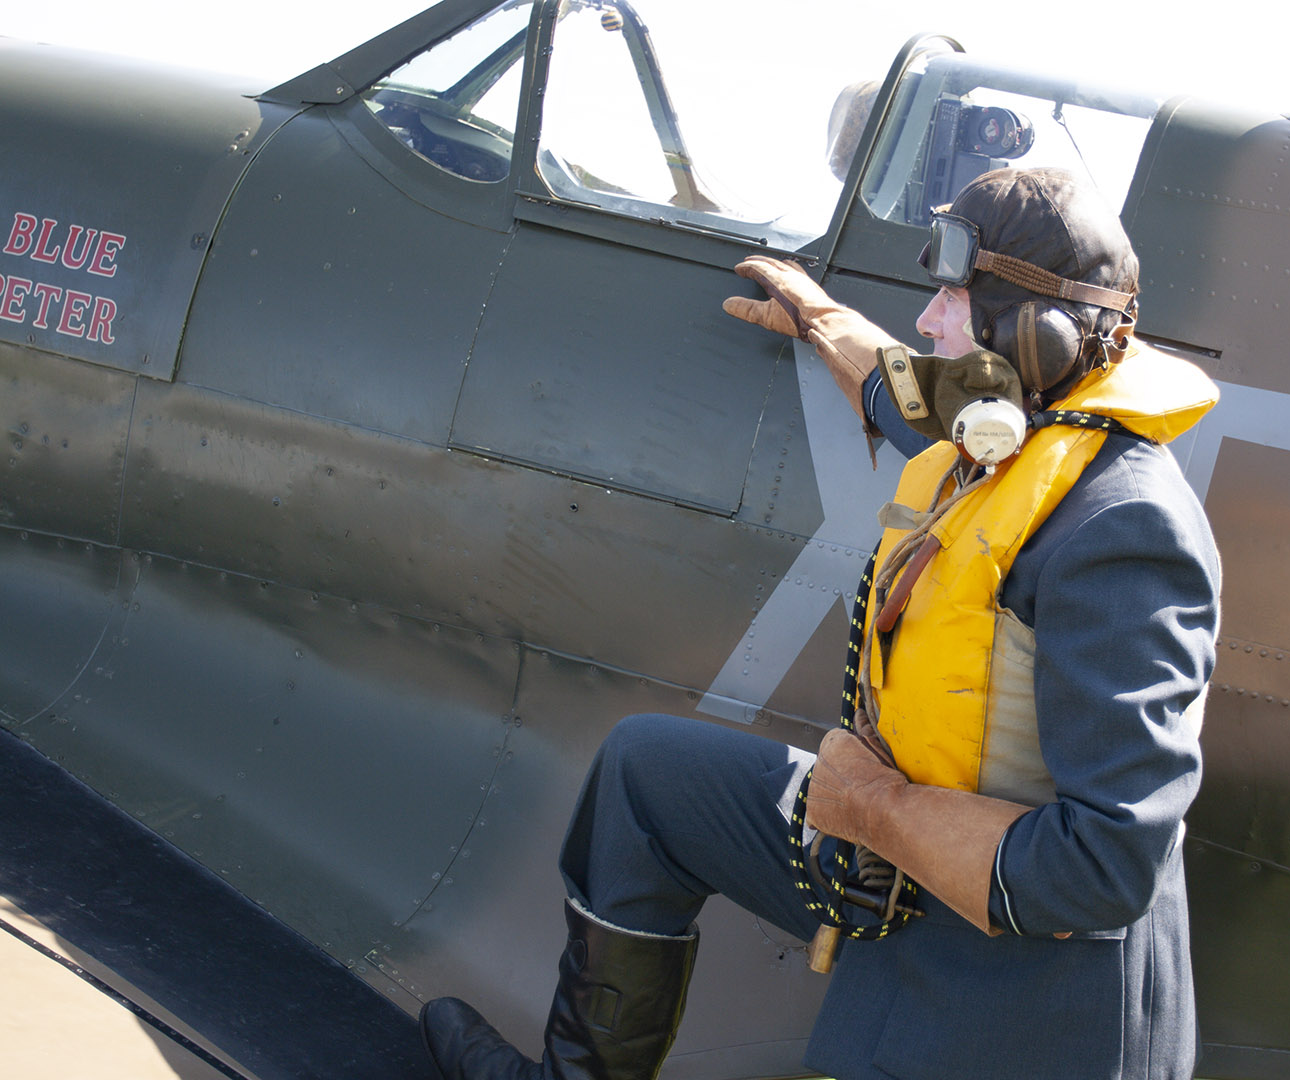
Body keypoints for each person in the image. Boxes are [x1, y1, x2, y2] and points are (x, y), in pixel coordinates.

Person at [419, 166, 1221, 1080]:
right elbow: (913, 402)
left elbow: (1106, 867)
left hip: (1033, 990)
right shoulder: (1013, 433)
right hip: (908, 857)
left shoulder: (1122, 528)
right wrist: (823, 320)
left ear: (1029, 341)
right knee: (647, 775)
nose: (927, 320)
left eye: (953, 300)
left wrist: (877, 809)